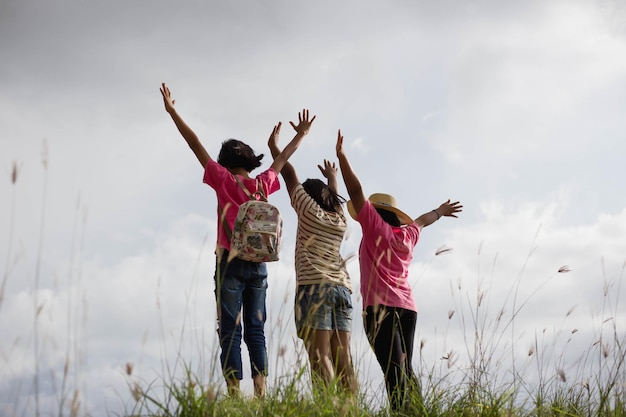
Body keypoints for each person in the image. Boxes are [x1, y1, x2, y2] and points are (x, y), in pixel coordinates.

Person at [160, 82, 315, 397]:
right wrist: (300, 135)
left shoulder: (223, 179)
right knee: (256, 332)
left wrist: (173, 112)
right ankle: (261, 393)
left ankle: (234, 395)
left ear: (225, 163)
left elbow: (194, 144)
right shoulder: (263, 183)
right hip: (259, 264)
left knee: (230, 331)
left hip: (229, 263)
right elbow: (282, 160)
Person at [335, 130, 462, 411]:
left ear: (374, 212)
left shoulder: (373, 225)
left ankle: (402, 413)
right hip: (408, 309)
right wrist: (440, 211)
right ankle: (417, 411)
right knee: (405, 369)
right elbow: (422, 221)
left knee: (393, 373)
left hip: (380, 309)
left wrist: (342, 157)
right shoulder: (408, 235)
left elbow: (356, 192)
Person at [267, 123, 358, 396]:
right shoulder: (340, 218)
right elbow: (334, 197)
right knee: (344, 360)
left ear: (308, 197)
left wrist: (274, 147)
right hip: (343, 288)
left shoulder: (307, 210)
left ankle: (329, 411)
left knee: (320, 357)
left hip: (314, 286)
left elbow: (289, 173)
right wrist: (332, 177)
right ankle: (351, 413)